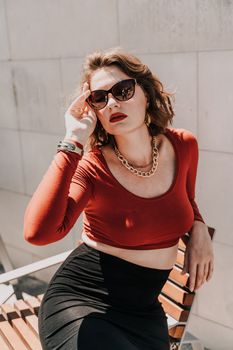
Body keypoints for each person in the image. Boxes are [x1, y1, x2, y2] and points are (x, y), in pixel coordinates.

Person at [24, 47, 214, 350]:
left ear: (146, 95)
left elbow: (185, 199)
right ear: (94, 111)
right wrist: (72, 140)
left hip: (144, 313)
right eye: (100, 98)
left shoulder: (183, 145)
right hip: (83, 303)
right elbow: (39, 232)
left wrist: (199, 227)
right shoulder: (92, 168)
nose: (112, 102)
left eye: (123, 90)